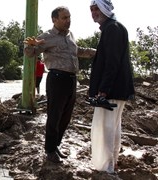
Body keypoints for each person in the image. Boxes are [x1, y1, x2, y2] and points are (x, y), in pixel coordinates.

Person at [24, 6, 96, 163]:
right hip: (56, 79)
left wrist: (95, 52)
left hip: (71, 80)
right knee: (54, 116)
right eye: (64, 18)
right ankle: (50, 150)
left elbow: (78, 51)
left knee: (66, 117)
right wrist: (30, 45)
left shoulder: (70, 35)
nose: (68, 20)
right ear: (54, 20)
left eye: (69, 17)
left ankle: (55, 145)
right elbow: (30, 54)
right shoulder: (47, 36)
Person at [89, 0, 135, 173]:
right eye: (91, 9)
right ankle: (112, 165)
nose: (93, 13)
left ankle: (107, 168)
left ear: (104, 9)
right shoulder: (113, 28)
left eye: (96, 9)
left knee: (106, 129)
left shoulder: (112, 29)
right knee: (113, 128)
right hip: (116, 89)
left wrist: (103, 89)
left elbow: (112, 63)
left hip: (111, 90)